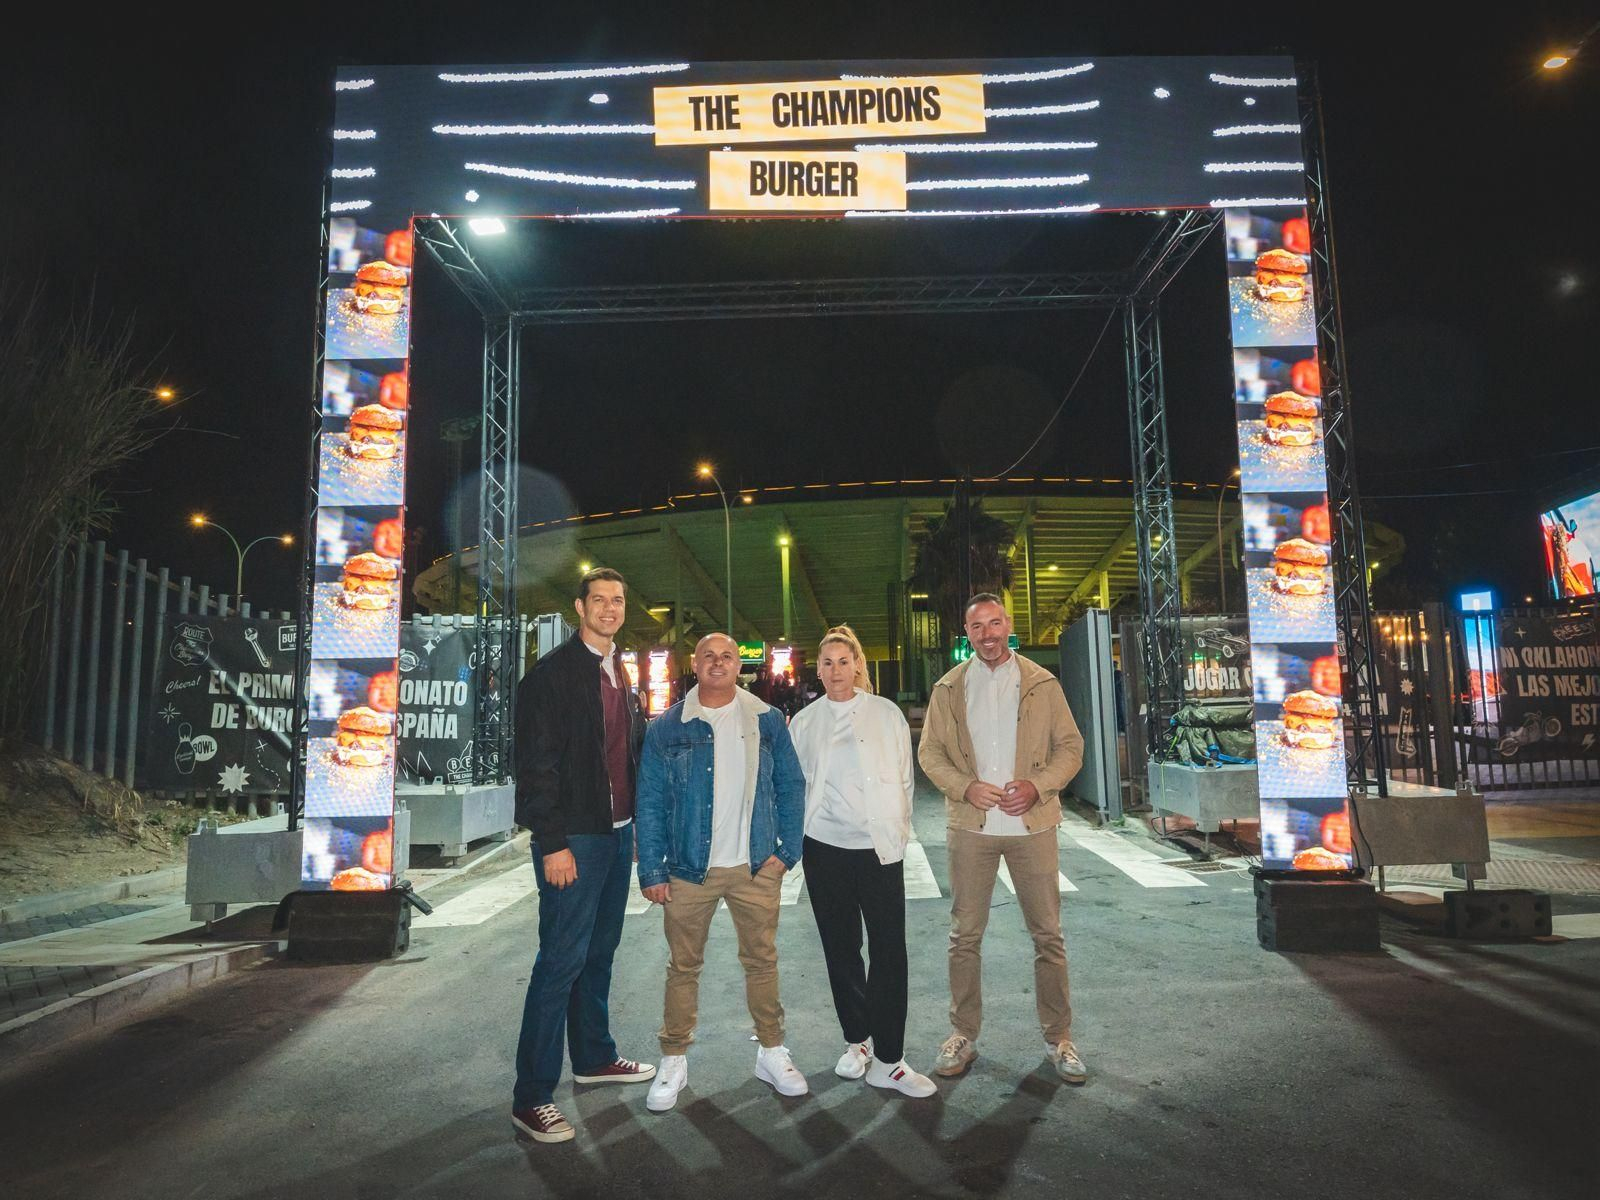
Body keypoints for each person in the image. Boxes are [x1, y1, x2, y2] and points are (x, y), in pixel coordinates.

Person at [510, 567, 654, 1144]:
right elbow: (536, 767)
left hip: (617, 835)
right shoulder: (551, 677)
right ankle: (531, 1096)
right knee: (559, 963)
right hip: (577, 839)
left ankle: (593, 1056)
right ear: (580, 607)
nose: (610, 608)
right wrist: (553, 843)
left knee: (599, 953)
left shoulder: (621, 669)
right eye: (600, 600)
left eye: (618, 600)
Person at [917, 594, 1087, 1084]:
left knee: (1048, 936)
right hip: (971, 828)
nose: (987, 634)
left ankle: (1060, 1039)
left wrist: (1038, 786)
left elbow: (1070, 747)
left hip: (1032, 828)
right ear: (965, 633)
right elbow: (930, 754)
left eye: (995, 623)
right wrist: (965, 787)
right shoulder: (949, 688)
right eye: (977, 627)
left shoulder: (1040, 683)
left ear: (1007, 625)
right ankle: (962, 1034)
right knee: (963, 937)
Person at [636, 632, 809, 1112]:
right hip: (689, 870)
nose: (718, 663)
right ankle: (674, 1058)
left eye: (727, 656)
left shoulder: (767, 720)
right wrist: (651, 868)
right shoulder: (667, 727)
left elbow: (791, 785)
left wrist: (786, 852)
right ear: (695, 664)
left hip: (754, 867)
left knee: (762, 961)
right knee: (683, 967)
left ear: (740, 665)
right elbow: (649, 801)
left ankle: (772, 1051)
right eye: (708, 655)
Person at [788, 625, 936, 1098]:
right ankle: (858, 1044)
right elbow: (796, 788)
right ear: (818, 670)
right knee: (841, 948)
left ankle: (890, 1059)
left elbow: (904, 778)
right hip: (824, 849)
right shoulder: (804, 722)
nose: (836, 670)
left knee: (889, 949)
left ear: (858, 666)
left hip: (878, 850)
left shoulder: (885, 714)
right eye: (827, 662)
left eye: (844, 661)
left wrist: (897, 831)